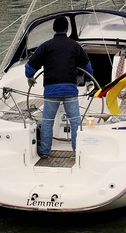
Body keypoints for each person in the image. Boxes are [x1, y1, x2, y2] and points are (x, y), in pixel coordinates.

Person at [24, 16, 92, 157]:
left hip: (51, 91)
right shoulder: (75, 46)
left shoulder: (45, 46)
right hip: (70, 91)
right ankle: (76, 151)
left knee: (48, 121)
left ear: (54, 29)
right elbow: (88, 67)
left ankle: (44, 152)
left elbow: (29, 69)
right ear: (67, 29)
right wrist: (87, 80)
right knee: (75, 122)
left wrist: (30, 77)